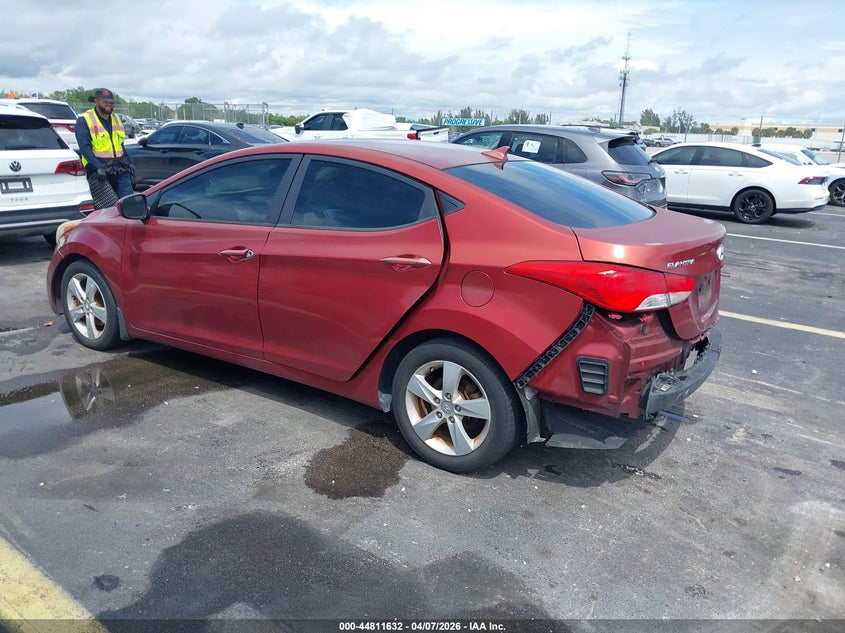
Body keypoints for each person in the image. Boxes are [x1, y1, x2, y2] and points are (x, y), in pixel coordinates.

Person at [75, 88, 134, 208]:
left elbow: (120, 144)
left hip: (119, 167)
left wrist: (130, 163)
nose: (109, 105)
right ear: (96, 101)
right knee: (107, 209)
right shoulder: (84, 120)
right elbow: (84, 147)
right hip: (99, 169)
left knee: (128, 203)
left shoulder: (116, 119)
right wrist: (97, 167)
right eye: (105, 102)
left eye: (111, 103)